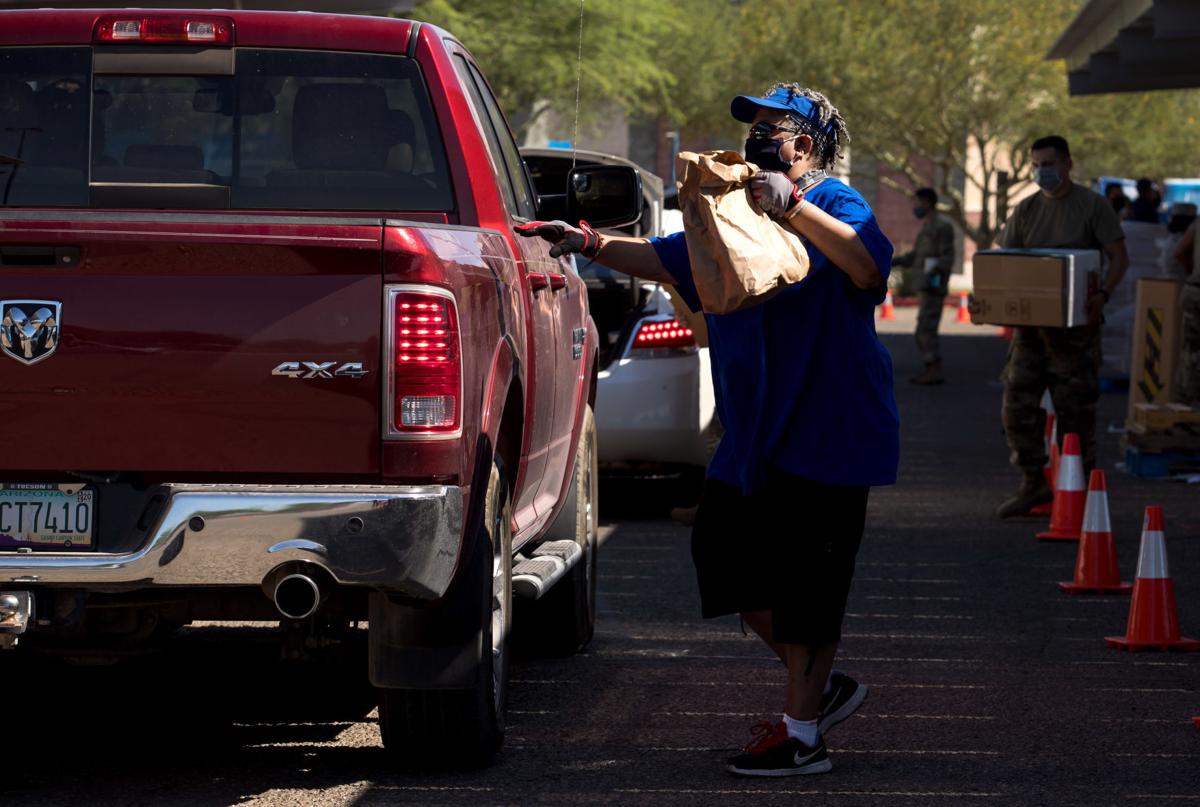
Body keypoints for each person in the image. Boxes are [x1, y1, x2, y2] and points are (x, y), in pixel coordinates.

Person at [518, 83, 899, 778]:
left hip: (830, 430)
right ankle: (816, 686)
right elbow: (665, 257)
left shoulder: (837, 201)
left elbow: (867, 264)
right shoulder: (729, 207)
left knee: (811, 589)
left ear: (803, 144)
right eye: (753, 127)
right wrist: (587, 241)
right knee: (723, 559)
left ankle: (802, 737)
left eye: (770, 128)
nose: (755, 138)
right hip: (753, 435)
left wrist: (795, 205)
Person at [992, 135, 1129, 518]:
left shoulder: (1091, 206)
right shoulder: (1027, 209)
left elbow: (1119, 256)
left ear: (1067, 163)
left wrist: (1103, 293)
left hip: (1075, 332)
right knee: (1016, 404)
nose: (1042, 172)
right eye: (1036, 165)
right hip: (1032, 329)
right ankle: (1032, 481)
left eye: (1048, 164)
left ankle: (1079, 494)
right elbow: (1004, 258)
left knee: (1075, 414)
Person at [891, 187, 956, 384]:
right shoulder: (927, 226)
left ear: (927, 203)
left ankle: (934, 369)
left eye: (917, 202)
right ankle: (932, 368)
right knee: (924, 329)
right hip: (925, 286)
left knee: (925, 330)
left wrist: (933, 274)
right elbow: (916, 256)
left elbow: (947, 257)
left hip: (933, 287)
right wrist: (892, 261)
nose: (915, 206)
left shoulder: (942, 227)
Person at [1172, 219, 1200, 404]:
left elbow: (1179, 251)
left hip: (1195, 290)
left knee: (1190, 350)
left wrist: (1193, 273)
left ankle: (1185, 405)